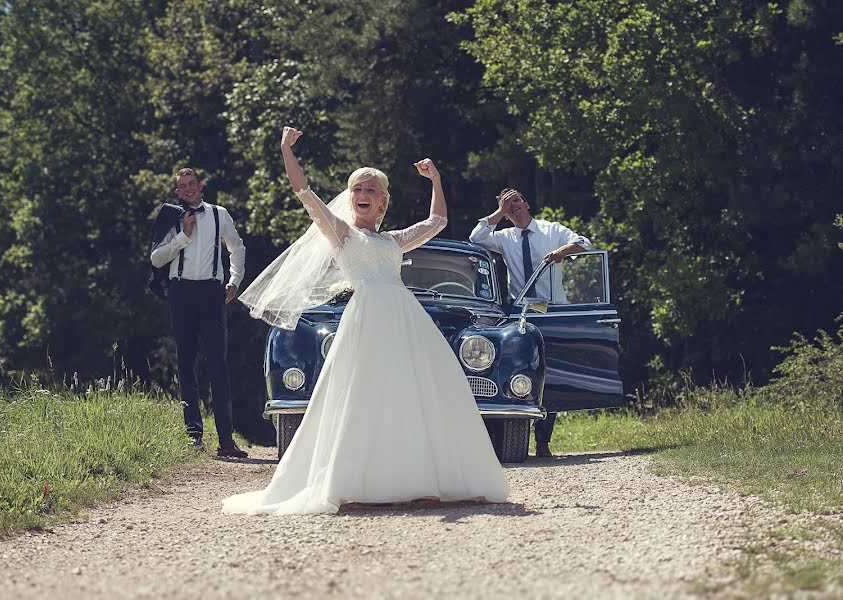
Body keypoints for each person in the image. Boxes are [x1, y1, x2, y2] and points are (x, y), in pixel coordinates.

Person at [222, 127, 508, 515]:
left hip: (404, 320)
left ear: (382, 202)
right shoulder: (341, 234)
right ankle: (355, 479)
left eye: (371, 190)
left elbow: (438, 220)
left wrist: (436, 179)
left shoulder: (393, 240)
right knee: (362, 392)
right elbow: (304, 193)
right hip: (367, 320)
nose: (362, 195)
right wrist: (286, 149)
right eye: (357, 189)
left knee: (411, 392)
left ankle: (418, 477)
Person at [469, 188, 592, 458]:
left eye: (516, 201)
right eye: (506, 204)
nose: (513, 207)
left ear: (526, 203)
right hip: (521, 312)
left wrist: (563, 251)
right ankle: (511, 437)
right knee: (520, 372)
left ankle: (544, 441)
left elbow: (585, 244)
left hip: (552, 311)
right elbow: (476, 237)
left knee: (551, 375)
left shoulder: (551, 230)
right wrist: (498, 212)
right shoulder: (504, 238)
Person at [150, 167, 249, 459]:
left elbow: (238, 247)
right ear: (177, 192)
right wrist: (183, 236)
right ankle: (193, 437)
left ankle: (226, 441)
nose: (189, 189)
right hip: (181, 292)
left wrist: (234, 280)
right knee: (186, 363)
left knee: (218, 364)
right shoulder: (171, 217)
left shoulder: (220, 214)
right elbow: (156, 259)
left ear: (201, 186)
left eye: (192, 184)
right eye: (183, 186)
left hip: (211, 293)